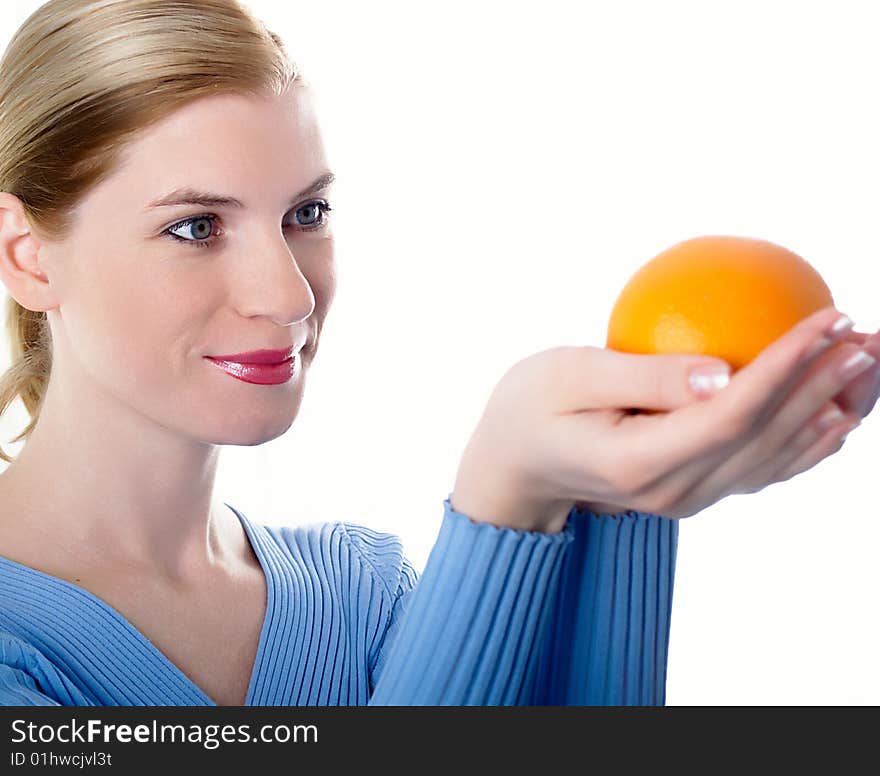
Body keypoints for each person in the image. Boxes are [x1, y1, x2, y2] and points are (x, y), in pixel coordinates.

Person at [1, 0, 878, 708]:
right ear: (26, 255)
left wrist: (619, 502)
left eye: (305, 214)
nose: (290, 296)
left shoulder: (359, 592)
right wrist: (500, 488)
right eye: (195, 226)